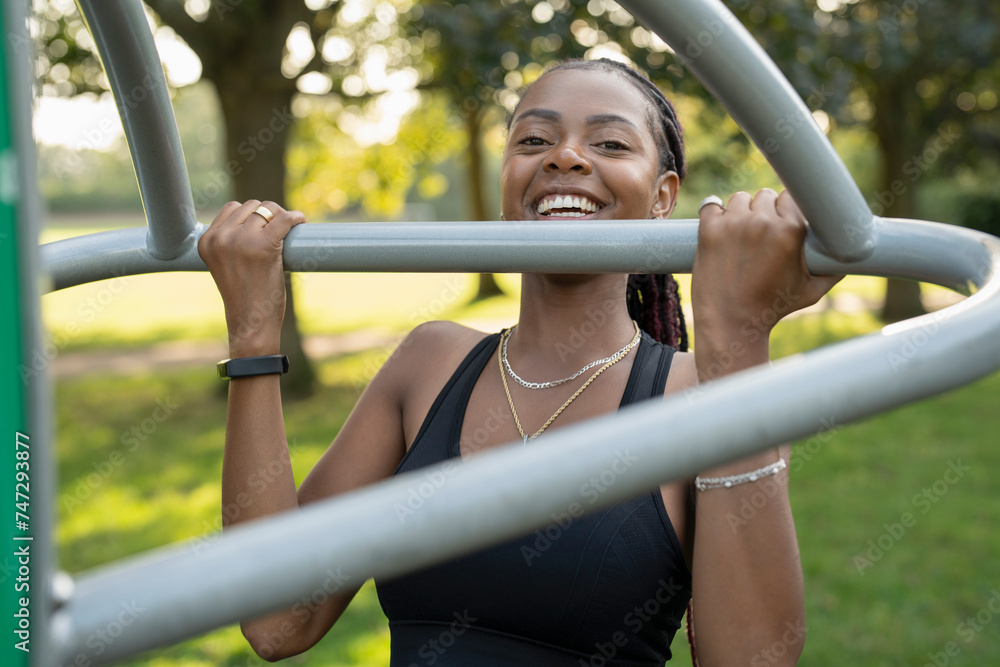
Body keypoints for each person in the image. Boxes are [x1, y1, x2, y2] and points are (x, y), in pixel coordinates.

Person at [198, 58, 841, 665]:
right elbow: (279, 621)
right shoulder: (428, 364)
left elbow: (752, 657)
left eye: (611, 145)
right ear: (507, 179)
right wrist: (253, 333)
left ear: (663, 196)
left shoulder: (707, 393)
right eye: (533, 140)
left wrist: (738, 338)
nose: (565, 157)